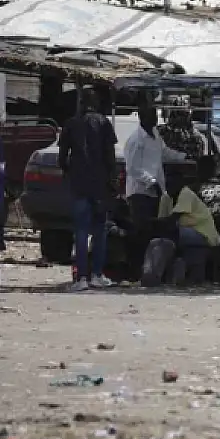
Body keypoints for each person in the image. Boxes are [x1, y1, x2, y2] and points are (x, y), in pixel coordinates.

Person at [58, 91, 118, 291]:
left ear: (81, 104)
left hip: (79, 186)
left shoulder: (71, 124)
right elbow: (111, 158)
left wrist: (71, 172)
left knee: (81, 232)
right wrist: (112, 181)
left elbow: (62, 158)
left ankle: (81, 278)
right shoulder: (104, 123)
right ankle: (97, 275)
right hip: (100, 187)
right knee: (100, 231)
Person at [124, 103, 187, 226]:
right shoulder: (136, 140)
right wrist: (151, 182)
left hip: (156, 192)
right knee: (141, 228)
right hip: (140, 192)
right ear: (142, 117)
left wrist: (183, 156)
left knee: (153, 227)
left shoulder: (155, 134)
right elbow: (132, 168)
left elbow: (164, 152)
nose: (155, 119)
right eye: (151, 116)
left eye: (155, 115)